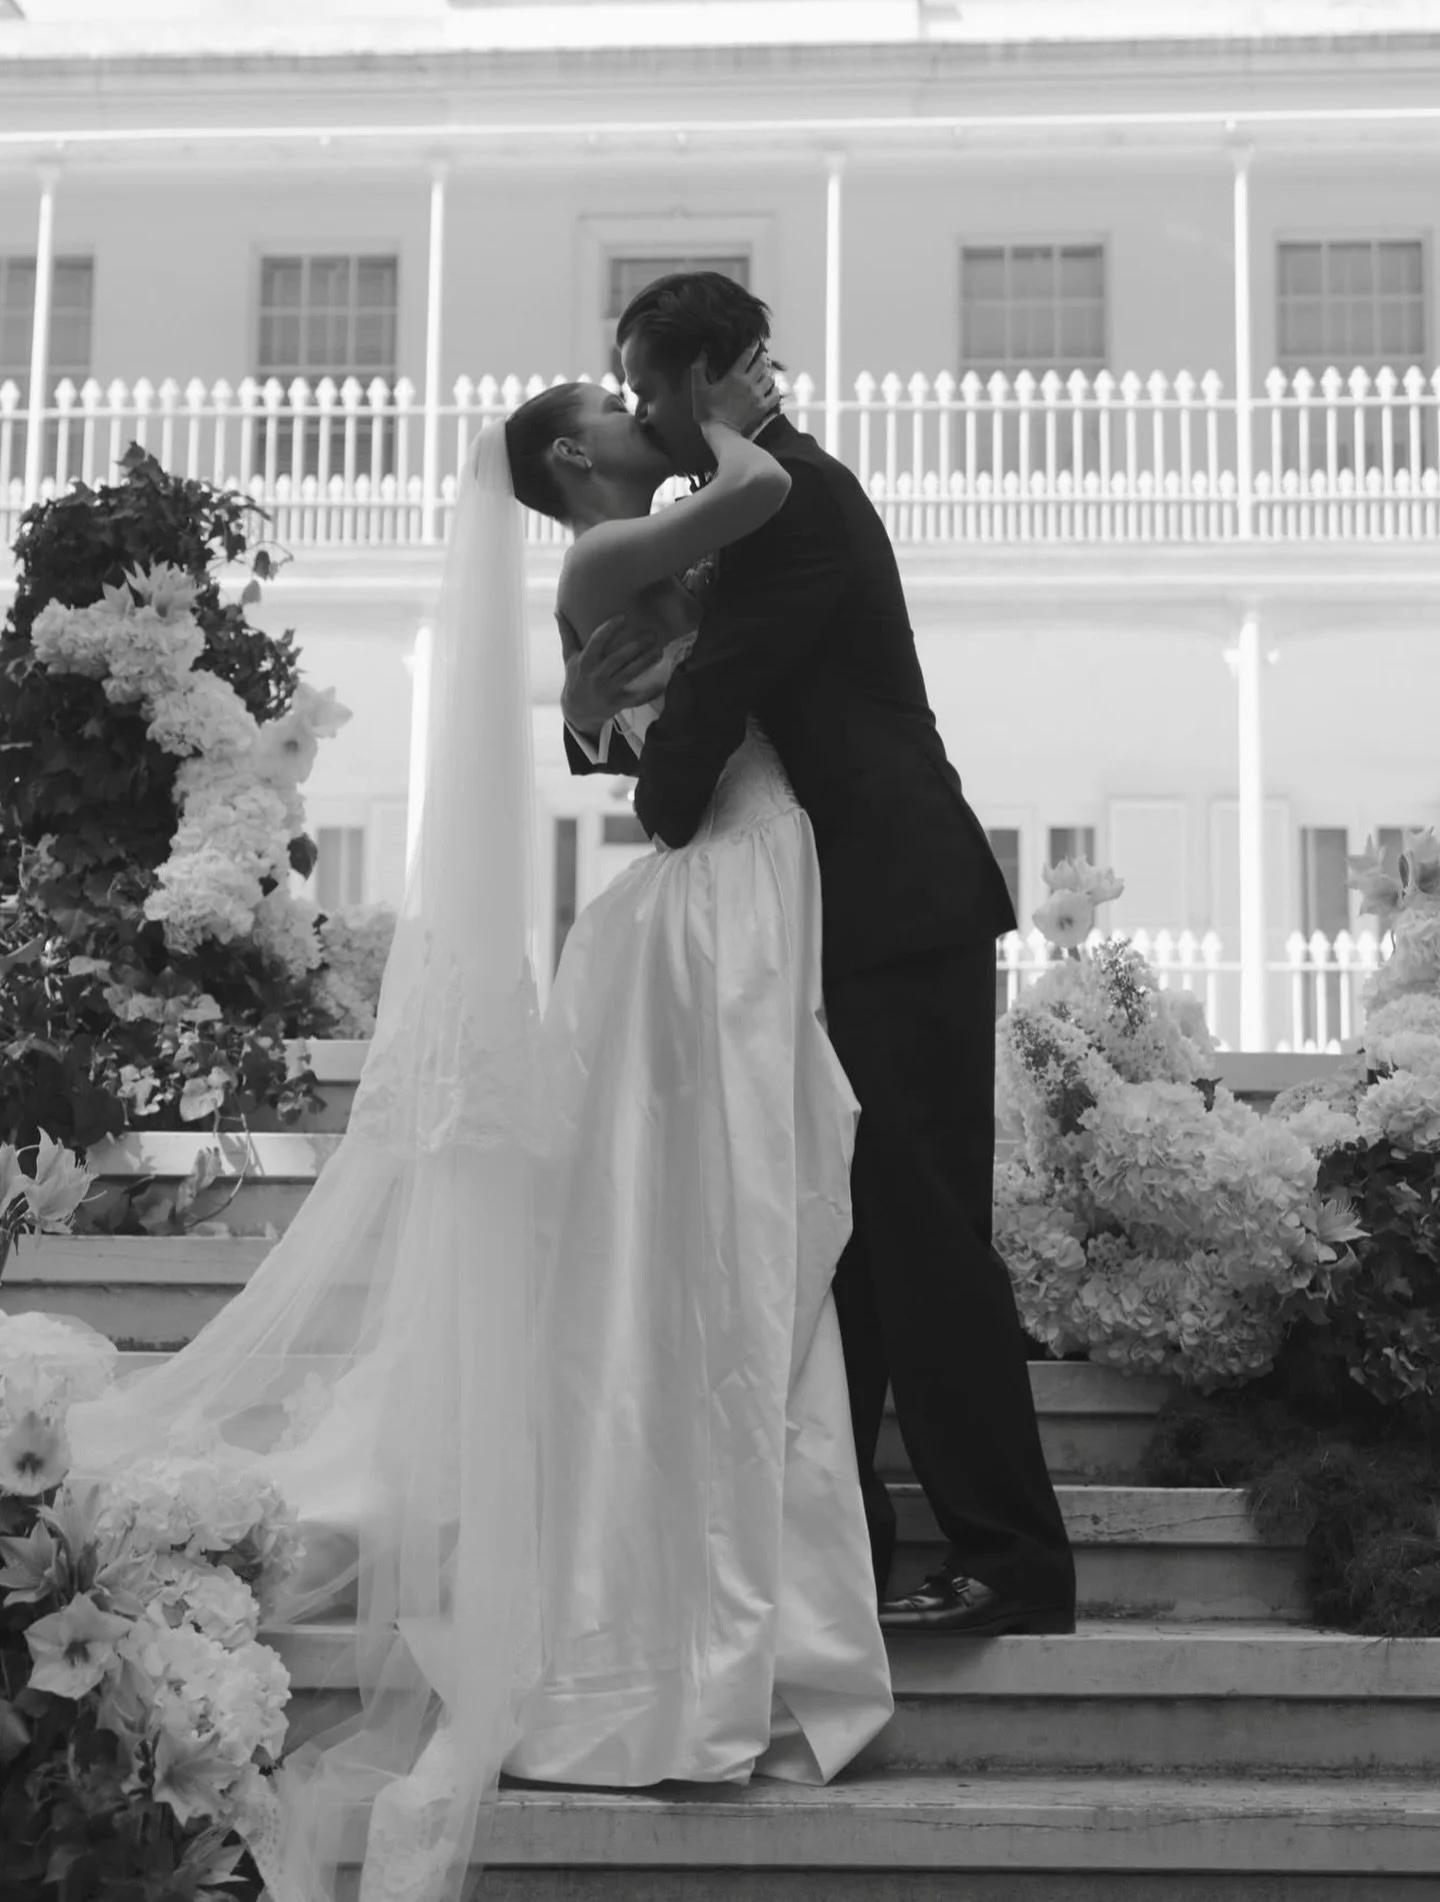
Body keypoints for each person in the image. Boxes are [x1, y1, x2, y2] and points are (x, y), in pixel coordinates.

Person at [67, 346, 891, 1902]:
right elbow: (766, 486)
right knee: (721, 1238)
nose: (631, 419)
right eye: (612, 410)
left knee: (724, 1238)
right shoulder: (608, 543)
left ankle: (704, 1599)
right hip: (707, 902)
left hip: (719, 885)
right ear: (574, 464)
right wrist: (714, 392)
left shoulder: (615, 560)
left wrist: (610, 695)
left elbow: (640, 708)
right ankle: (683, 1622)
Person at [562, 270, 1076, 1639]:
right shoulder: (748, 498)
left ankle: (1015, 1560)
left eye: (648, 387)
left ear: (711, 373)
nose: (640, 417)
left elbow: (716, 703)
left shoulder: (798, 497)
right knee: (841, 1244)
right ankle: (840, 1542)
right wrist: (600, 711)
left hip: (895, 908)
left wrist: (651, 778)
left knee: (921, 1236)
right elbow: (679, 669)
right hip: (829, 917)